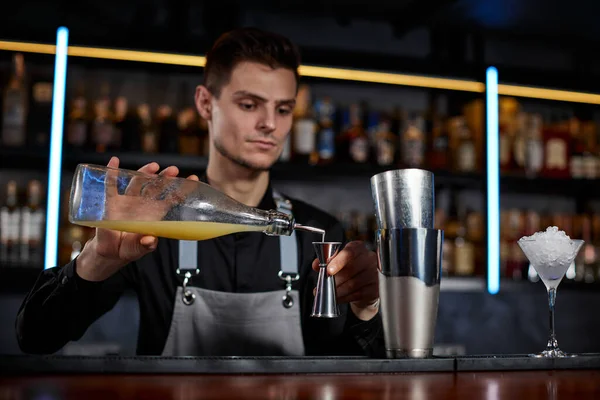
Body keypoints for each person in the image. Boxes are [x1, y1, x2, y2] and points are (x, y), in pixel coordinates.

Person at [16, 27, 384, 357]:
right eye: (249, 104)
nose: (270, 124)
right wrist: (97, 261)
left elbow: (348, 366)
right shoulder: (153, 221)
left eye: (284, 109)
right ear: (206, 103)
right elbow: (35, 338)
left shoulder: (320, 232)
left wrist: (366, 306)